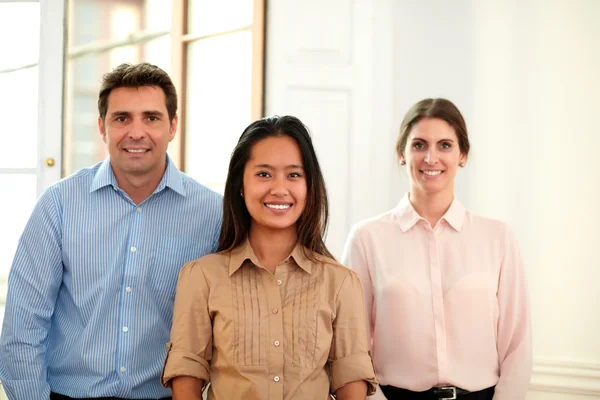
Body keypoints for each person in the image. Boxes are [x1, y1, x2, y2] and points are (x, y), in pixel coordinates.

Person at [0, 62, 223, 400]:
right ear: (102, 128)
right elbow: (22, 329)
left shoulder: (212, 214)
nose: (136, 132)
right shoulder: (59, 205)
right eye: (122, 118)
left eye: (151, 118)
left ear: (173, 126)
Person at [161, 115, 377, 400]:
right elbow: (186, 380)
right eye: (264, 174)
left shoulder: (341, 283)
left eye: (293, 175)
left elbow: (352, 386)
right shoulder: (201, 277)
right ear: (241, 184)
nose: (279, 188)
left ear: (310, 187)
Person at [341, 98, 532, 400]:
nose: (431, 157)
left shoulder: (498, 238)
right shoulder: (367, 239)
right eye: (419, 145)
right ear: (402, 154)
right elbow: (351, 345)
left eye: (445, 145)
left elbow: (517, 345)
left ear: (462, 155)